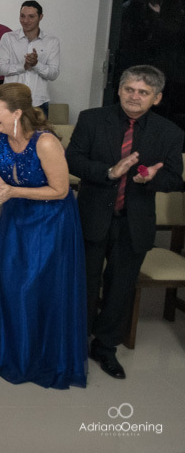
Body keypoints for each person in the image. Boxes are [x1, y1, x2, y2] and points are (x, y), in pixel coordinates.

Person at [65, 65, 184, 380]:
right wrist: (108, 172)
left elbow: (175, 178)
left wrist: (153, 178)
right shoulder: (92, 119)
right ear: (118, 90)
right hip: (91, 217)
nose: (134, 96)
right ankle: (76, 342)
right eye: (129, 89)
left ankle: (105, 347)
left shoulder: (170, 132)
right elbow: (72, 160)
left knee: (120, 288)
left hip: (135, 223)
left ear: (156, 98)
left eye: (143, 92)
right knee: (84, 284)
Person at [0, 84, 88, 389]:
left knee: (35, 288)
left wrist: (13, 191)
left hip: (50, 222)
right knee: (8, 284)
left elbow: (60, 190)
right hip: (15, 217)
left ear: (17, 113)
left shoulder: (46, 142)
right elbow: (5, 178)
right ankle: (11, 355)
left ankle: (44, 359)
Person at [0, 0, 61, 114]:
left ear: (40, 17)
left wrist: (36, 64)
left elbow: (53, 74)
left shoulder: (51, 41)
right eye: (22, 16)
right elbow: (0, 69)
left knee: (39, 127)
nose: (25, 21)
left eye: (31, 17)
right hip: (11, 101)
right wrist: (24, 66)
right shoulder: (8, 38)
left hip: (38, 102)